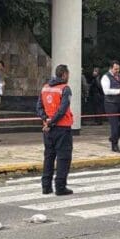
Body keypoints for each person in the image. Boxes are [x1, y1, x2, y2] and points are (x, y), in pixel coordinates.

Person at [36, 64, 74, 196]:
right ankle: (60, 187)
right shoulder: (65, 89)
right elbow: (62, 110)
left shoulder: (45, 88)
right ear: (64, 74)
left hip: (48, 129)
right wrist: (51, 122)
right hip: (62, 128)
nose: (68, 77)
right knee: (63, 157)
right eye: (68, 74)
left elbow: (39, 107)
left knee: (49, 156)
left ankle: (46, 186)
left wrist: (46, 120)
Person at [101, 61, 120, 153]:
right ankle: (114, 145)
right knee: (114, 125)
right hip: (110, 103)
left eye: (118, 69)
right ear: (111, 68)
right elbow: (106, 91)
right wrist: (119, 91)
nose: (117, 71)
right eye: (115, 69)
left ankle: (113, 138)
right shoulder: (105, 77)